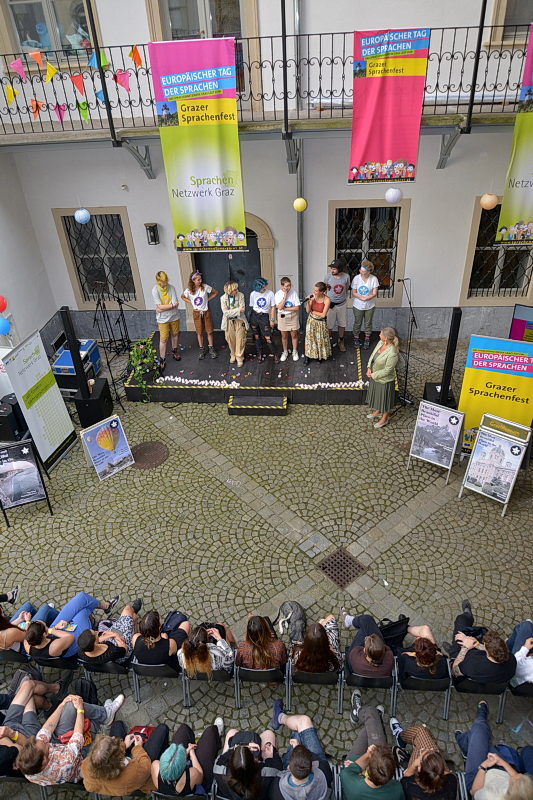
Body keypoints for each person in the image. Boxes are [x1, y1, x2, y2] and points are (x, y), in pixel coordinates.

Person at [15, 691, 125, 786]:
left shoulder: (30, 765)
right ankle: (104, 717)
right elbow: (78, 737)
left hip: (62, 746)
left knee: (70, 704)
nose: (43, 740)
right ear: (44, 761)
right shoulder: (64, 764)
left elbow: (47, 729)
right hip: (82, 757)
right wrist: (80, 709)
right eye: (46, 745)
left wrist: (62, 704)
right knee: (78, 709)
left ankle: (105, 715)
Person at [455, 701, 524, 796]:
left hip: (476, 780)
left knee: (478, 731)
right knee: (479, 738)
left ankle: (480, 718)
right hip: (502, 771)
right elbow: (518, 777)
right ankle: (464, 742)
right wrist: (502, 762)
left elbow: (475, 791)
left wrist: (483, 767)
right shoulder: (524, 793)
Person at [82, 721, 169, 796]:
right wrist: (138, 747)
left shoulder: (88, 764)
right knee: (163, 728)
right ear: (118, 759)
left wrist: (124, 745)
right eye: (113, 740)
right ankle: (164, 753)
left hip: (121, 768)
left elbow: (88, 786)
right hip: (141, 774)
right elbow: (146, 765)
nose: (113, 737)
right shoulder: (132, 774)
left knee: (117, 724)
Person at [24, 591, 120, 660]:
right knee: (82, 611)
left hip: (54, 633)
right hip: (71, 644)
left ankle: (104, 607)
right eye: (45, 626)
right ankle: (93, 620)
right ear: (44, 634)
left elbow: (28, 630)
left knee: (82, 598)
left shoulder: (28, 640)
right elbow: (70, 638)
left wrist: (28, 621)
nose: (45, 624)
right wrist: (53, 630)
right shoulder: (53, 647)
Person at [0, 677, 62, 778]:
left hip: (9, 724)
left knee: (28, 685)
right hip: (26, 738)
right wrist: (11, 734)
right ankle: (53, 698)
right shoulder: (4, 758)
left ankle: (52, 698)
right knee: (30, 696)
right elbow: (24, 749)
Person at [444, 600, 516, 683]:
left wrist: (465, 648)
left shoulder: (472, 664)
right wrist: (477, 644)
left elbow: (455, 671)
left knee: (461, 622)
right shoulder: (511, 659)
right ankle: (467, 615)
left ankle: (453, 653)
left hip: (467, 679)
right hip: (495, 685)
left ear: (488, 654)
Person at [340, 705, 403, 800]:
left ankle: (359, 713)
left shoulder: (349, 781)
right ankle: (376, 720)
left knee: (371, 712)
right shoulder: (396, 790)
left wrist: (368, 754)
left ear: (367, 769)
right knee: (373, 726)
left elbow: (348, 771)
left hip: (355, 761)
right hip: (362, 771)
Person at [388, 718, 457, 800]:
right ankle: (404, 739)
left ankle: (400, 737)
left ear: (419, 770)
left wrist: (414, 764)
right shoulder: (451, 783)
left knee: (420, 731)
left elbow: (406, 775)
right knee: (427, 737)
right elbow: (449, 774)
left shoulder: (408, 786)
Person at [151, 718, 223, 796]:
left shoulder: (155, 766)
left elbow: (171, 764)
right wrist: (192, 753)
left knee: (184, 728)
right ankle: (216, 736)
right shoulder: (191, 775)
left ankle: (198, 741)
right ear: (184, 764)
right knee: (211, 731)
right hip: (197, 782)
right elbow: (200, 774)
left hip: (173, 788)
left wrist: (185, 752)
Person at [270, 701, 333, 788]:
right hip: (317, 764)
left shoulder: (277, 789)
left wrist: (298, 751)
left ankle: (281, 718)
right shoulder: (324, 775)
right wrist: (298, 749)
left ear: (289, 767)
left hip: (294, 768)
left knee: (300, 728)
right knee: (301, 727)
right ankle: (282, 719)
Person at [214, 725, 283, 800]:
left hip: (230, 796)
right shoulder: (268, 773)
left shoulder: (220, 770)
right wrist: (269, 758)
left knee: (232, 732)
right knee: (269, 734)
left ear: (231, 762)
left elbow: (222, 757)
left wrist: (236, 747)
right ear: (255, 760)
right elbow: (278, 767)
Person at [77, 599, 141, 665]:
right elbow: (125, 649)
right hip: (122, 647)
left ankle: (134, 623)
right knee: (128, 610)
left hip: (111, 641)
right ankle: (135, 628)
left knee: (133, 617)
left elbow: (97, 641)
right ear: (95, 643)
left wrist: (113, 634)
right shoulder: (112, 652)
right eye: (95, 634)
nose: (96, 632)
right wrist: (116, 636)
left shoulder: (82, 649)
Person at [342, 611, 394, 689]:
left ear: (364, 650)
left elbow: (357, 648)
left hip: (356, 671)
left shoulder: (356, 657)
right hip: (379, 679)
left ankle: (348, 620)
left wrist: (367, 644)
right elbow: (388, 649)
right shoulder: (389, 660)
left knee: (365, 624)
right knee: (366, 625)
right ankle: (349, 620)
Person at [366, 327, 399, 429]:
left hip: (385, 380)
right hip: (375, 376)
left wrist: (373, 375)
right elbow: (373, 355)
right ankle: (379, 410)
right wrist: (369, 367)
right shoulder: (380, 343)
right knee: (378, 396)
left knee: (385, 400)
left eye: (381, 334)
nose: (379, 335)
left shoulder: (392, 352)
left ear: (386, 338)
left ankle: (385, 418)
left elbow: (388, 370)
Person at [181, 271, 218, 359]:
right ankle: (202, 349)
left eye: (200, 279)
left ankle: (211, 348)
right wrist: (191, 302)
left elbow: (215, 292)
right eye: (198, 280)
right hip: (197, 313)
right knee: (199, 332)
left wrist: (207, 300)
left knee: (209, 331)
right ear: (193, 280)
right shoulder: (189, 290)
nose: (200, 281)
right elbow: (182, 296)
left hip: (206, 312)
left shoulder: (205, 287)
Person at [152, 270, 181, 372]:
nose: (165, 283)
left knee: (175, 334)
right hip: (162, 319)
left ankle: (175, 351)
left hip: (174, 316)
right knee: (163, 339)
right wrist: (171, 305)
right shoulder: (155, 290)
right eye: (162, 282)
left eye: (166, 281)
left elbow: (174, 304)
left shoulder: (171, 288)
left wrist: (162, 307)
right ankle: (162, 359)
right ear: (158, 281)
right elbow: (161, 306)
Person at [248, 277, 278, 362]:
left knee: (268, 337)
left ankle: (275, 354)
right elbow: (252, 306)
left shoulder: (270, 293)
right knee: (256, 336)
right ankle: (259, 354)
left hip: (264, 316)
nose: (264, 288)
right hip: (254, 315)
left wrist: (272, 320)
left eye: (265, 286)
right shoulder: (253, 294)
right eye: (262, 288)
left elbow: (273, 307)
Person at [351, 260, 379, 349]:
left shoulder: (374, 279)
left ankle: (367, 338)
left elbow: (374, 293)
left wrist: (367, 298)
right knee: (357, 322)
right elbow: (354, 292)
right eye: (361, 270)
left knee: (368, 323)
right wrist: (361, 297)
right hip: (358, 305)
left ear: (369, 272)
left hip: (370, 305)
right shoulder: (356, 278)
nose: (361, 272)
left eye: (363, 271)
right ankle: (356, 337)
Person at [221, 281, 249, 368]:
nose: (237, 290)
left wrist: (230, 311)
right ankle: (233, 354)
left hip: (239, 320)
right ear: (229, 291)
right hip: (228, 321)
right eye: (235, 289)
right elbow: (225, 313)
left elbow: (242, 310)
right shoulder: (223, 298)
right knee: (230, 339)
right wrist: (237, 310)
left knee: (240, 339)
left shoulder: (241, 295)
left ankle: (239, 357)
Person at [324, 258, 351, 351]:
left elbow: (346, 288)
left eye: (334, 269)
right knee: (329, 325)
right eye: (331, 268)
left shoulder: (346, 277)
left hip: (342, 304)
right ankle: (328, 342)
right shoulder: (327, 277)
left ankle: (341, 340)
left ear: (340, 269)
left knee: (342, 324)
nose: (332, 270)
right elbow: (325, 289)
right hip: (330, 305)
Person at [303, 283, 331, 365]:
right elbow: (307, 311)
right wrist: (309, 301)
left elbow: (323, 315)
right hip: (311, 321)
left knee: (320, 339)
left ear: (322, 292)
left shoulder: (327, 300)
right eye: (314, 290)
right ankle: (307, 356)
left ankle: (319, 355)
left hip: (320, 323)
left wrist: (313, 312)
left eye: (316, 291)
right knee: (309, 339)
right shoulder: (312, 297)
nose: (314, 292)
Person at [275, 277, 301, 362]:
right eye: (286, 286)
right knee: (284, 336)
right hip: (282, 317)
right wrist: (285, 296)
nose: (288, 287)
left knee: (294, 335)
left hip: (293, 316)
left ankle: (294, 351)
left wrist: (285, 309)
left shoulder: (294, 293)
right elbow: (279, 307)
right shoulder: (278, 294)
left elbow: (296, 307)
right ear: (282, 286)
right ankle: (285, 351)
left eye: (289, 285)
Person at [506, 620, 533, 686]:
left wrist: (525, 648)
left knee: (526, 625)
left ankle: (507, 647)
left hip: (515, 675)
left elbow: (515, 664)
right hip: (525, 674)